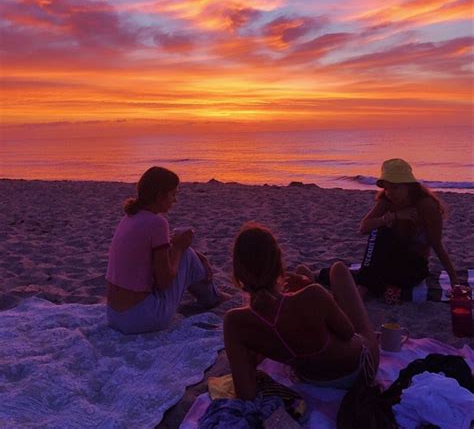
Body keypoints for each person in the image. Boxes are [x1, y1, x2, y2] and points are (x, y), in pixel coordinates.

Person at [224, 222, 379, 400]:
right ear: (278, 264)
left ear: (238, 272)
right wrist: (316, 293)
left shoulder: (234, 322)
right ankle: (312, 282)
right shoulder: (314, 295)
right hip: (359, 371)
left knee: (303, 273)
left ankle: (308, 281)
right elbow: (347, 332)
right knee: (338, 270)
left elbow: (246, 393)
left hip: (310, 377)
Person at [106, 166, 227, 334]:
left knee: (187, 252)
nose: (175, 200)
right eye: (173, 194)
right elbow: (164, 282)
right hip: (142, 319)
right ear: (160, 196)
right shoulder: (158, 223)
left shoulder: (129, 217)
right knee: (185, 254)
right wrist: (178, 247)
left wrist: (193, 253)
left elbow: (154, 254)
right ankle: (211, 297)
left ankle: (211, 295)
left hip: (114, 315)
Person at [357, 158, 459, 297]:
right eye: (386, 188)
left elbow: (437, 245)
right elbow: (364, 227)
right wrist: (394, 216)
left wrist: (454, 280)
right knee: (380, 231)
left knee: (366, 273)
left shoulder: (426, 206)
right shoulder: (388, 201)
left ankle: (364, 285)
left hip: (413, 268)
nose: (390, 192)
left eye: (395, 187)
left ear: (409, 186)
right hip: (390, 262)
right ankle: (364, 283)